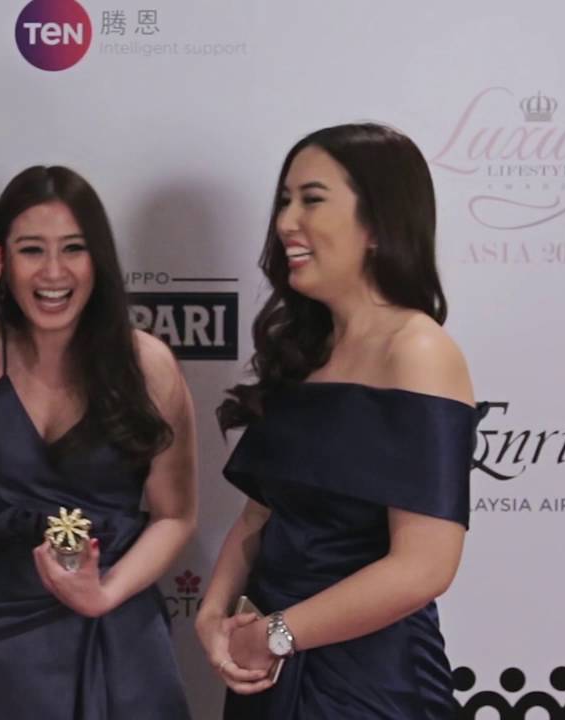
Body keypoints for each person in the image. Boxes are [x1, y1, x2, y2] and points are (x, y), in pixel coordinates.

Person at [195, 123, 481, 719]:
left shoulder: (418, 351)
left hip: (367, 684)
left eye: (312, 199)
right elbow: (258, 517)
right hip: (268, 672)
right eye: (284, 200)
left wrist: (277, 634)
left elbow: (424, 566)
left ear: (377, 222)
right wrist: (212, 614)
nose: (286, 221)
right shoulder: (304, 350)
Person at [0, 165, 195, 718]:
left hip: (116, 624)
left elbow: (176, 515)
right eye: (31, 250)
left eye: (73, 248)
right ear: (1, 260)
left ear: (98, 259)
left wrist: (104, 593)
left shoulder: (147, 363)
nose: (53, 272)